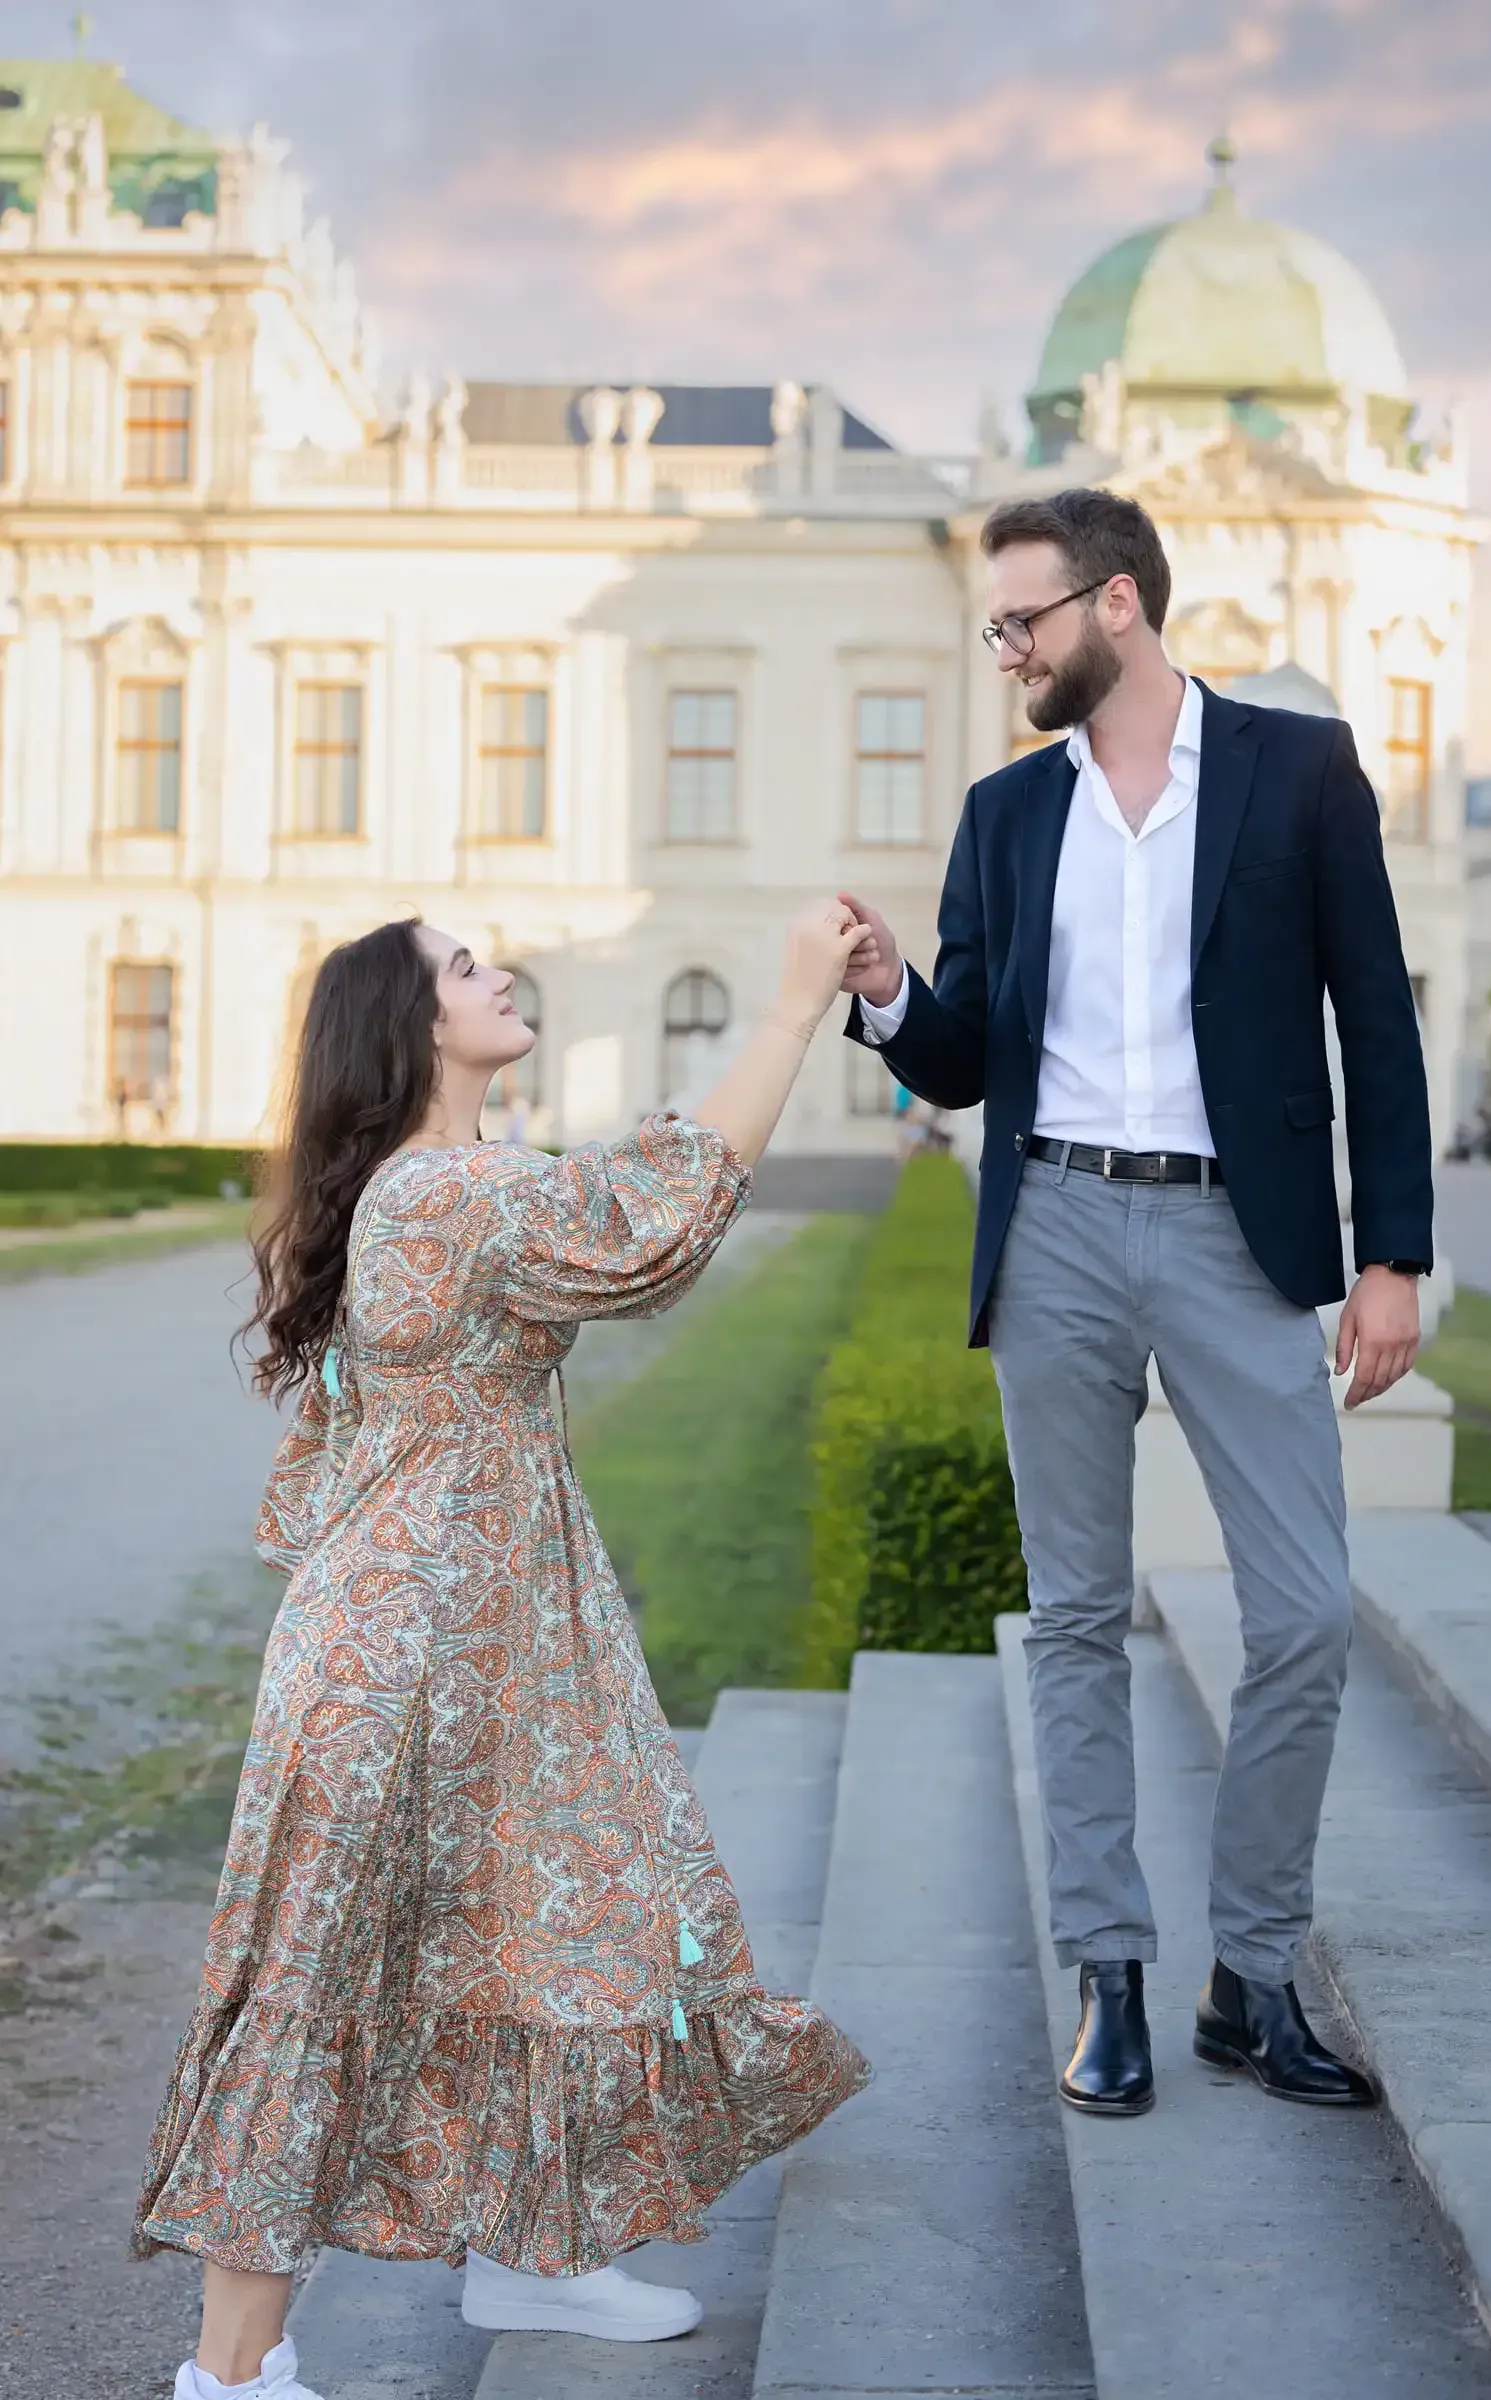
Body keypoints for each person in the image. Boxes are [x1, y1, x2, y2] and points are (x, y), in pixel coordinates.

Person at [136, 905, 874, 2400]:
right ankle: (231, 2377)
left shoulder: (422, 1191)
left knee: (570, 1917)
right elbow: (650, 1219)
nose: (499, 975)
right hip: (407, 1659)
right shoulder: (447, 1197)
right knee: (318, 1989)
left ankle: (534, 2246)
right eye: (464, 969)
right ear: (410, 1028)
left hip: (491, 1637)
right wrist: (791, 1006)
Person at [840, 488, 1432, 2119]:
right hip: (1061, 1239)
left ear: (1116, 605)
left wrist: (1394, 1256)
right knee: (1081, 1618)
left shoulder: (1298, 774)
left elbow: (1374, 1019)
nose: (1004, 649)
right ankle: (1108, 1973)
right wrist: (895, 996)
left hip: (1245, 1239)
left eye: (1021, 621)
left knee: (1305, 1610)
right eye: (995, 626)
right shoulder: (1005, 813)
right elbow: (968, 1059)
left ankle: (1254, 1971)